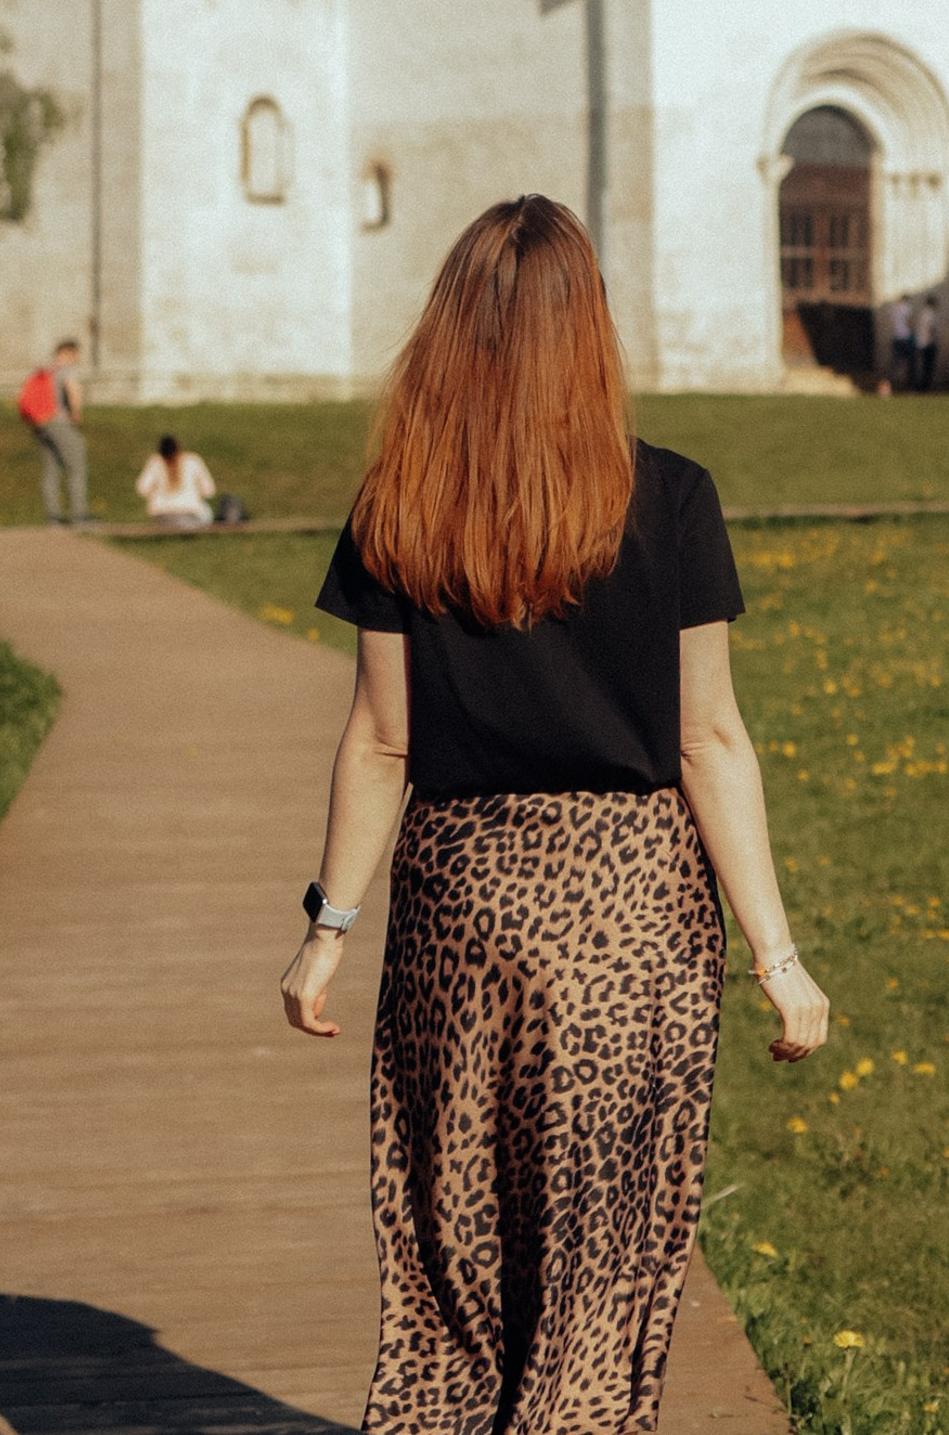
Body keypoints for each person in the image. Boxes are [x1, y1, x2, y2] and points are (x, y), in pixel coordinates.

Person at [281, 196, 828, 1433]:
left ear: (450, 330)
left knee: (452, 1272)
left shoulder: (400, 506)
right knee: (597, 1271)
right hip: (625, 920)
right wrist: (778, 957)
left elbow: (381, 738)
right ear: (588, 329)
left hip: (455, 915)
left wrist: (328, 929)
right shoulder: (671, 498)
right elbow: (707, 738)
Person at [24, 341, 87, 526]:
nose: (77, 359)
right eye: (76, 354)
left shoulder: (44, 370)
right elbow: (72, 389)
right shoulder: (66, 370)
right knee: (76, 463)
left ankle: (53, 516)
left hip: (40, 424)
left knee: (50, 468)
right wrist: (76, 413)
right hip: (58, 421)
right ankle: (79, 514)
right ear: (68, 352)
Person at [135, 434, 217, 528]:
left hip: (162, 514)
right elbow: (209, 491)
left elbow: (142, 489)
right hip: (189, 512)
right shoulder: (192, 460)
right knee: (207, 510)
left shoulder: (155, 462)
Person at [888, 293, 915, 395]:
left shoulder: (894, 308)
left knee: (894, 363)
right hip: (906, 338)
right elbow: (909, 322)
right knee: (911, 363)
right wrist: (913, 333)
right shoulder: (906, 308)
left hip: (896, 338)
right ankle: (910, 387)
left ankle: (887, 385)